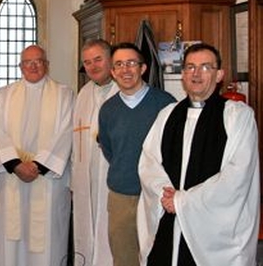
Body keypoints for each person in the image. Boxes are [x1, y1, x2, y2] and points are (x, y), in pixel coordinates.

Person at [137, 43, 260, 266]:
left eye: (205, 67)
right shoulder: (167, 115)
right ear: (183, 74)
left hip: (212, 230)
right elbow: (149, 162)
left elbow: (237, 173)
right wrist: (167, 196)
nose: (196, 73)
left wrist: (183, 201)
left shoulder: (237, 116)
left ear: (219, 74)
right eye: (190, 67)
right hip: (169, 219)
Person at [0, 44, 74, 266]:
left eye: (39, 61)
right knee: (10, 241)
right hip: (11, 178)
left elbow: (65, 133)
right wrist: (16, 164)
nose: (34, 66)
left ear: (47, 65)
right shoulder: (6, 95)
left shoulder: (64, 94)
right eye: (28, 62)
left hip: (47, 181)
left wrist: (38, 165)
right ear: (21, 66)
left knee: (47, 241)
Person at [98, 42, 176, 266]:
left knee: (160, 255)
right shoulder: (108, 109)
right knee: (124, 258)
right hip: (122, 196)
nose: (125, 69)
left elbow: (174, 150)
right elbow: (110, 149)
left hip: (159, 195)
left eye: (131, 63)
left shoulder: (165, 103)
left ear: (142, 68)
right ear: (112, 72)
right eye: (119, 65)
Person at [71, 39, 117, 266]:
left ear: (111, 59)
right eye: (87, 62)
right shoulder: (83, 93)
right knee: (85, 232)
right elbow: (74, 138)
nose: (93, 66)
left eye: (98, 59)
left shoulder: (124, 90)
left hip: (111, 178)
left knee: (110, 234)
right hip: (84, 178)